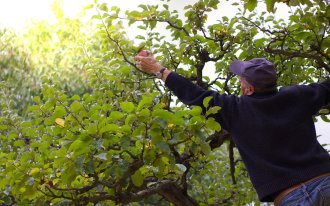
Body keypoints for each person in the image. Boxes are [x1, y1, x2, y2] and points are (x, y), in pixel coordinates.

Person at [135, 51, 330, 206]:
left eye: (241, 78)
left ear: (249, 89)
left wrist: (158, 69)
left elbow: (194, 94)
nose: (239, 80)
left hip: (292, 199)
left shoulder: (235, 110)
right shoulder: (299, 96)